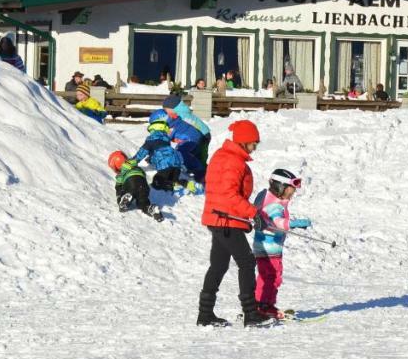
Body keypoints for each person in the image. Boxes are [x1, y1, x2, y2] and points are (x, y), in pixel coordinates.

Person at [197, 119, 265, 327]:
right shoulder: (233, 161)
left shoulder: (222, 156)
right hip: (225, 219)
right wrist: (253, 213)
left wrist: (244, 218)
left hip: (221, 218)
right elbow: (228, 194)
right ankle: (250, 313)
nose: (255, 147)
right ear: (244, 142)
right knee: (246, 262)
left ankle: (205, 314)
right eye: (253, 143)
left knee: (218, 265)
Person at [252, 168, 311, 320]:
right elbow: (277, 222)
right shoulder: (275, 205)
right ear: (280, 186)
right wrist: (293, 223)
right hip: (270, 247)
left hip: (262, 245)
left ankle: (261, 304)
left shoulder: (266, 197)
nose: (292, 195)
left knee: (268, 276)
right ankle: (263, 306)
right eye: (290, 191)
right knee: (272, 276)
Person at [132, 111, 192, 192]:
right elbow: (162, 153)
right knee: (172, 179)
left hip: (165, 167)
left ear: (152, 128)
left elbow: (142, 152)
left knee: (157, 183)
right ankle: (184, 184)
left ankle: (173, 187)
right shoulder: (166, 139)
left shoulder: (151, 139)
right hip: (176, 165)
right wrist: (150, 159)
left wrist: (132, 161)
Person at [108, 150, 162, 222]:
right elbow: (143, 175)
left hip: (130, 182)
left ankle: (124, 200)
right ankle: (151, 209)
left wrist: (118, 195)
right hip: (143, 185)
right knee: (142, 203)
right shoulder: (136, 167)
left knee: (124, 191)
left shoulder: (122, 172)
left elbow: (119, 185)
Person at [163, 93, 211, 163]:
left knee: (199, 153)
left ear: (172, 108)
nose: (166, 112)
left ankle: (202, 168)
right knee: (197, 152)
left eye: (166, 110)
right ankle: (198, 166)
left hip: (203, 134)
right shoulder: (181, 111)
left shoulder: (181, 115)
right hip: (202, 132)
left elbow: (174, 124)